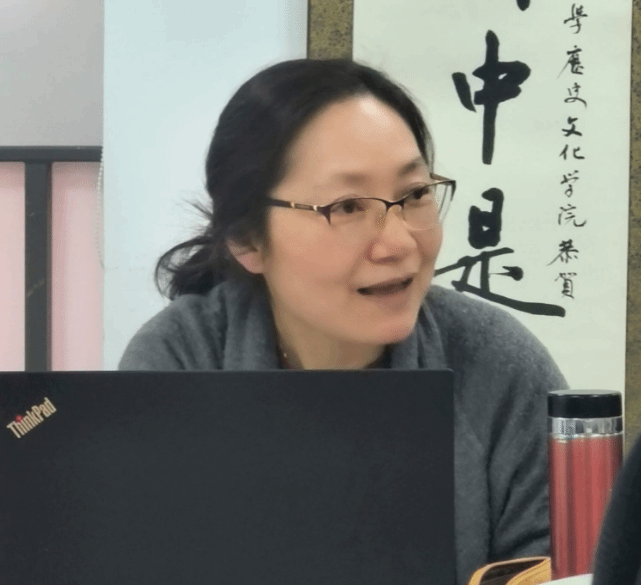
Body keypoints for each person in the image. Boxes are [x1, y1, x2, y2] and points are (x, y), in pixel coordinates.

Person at [119, 59, 567, 584]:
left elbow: (570, 567)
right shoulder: (179, 364)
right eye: (348, 206)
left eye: (415, 195)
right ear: (246, 238)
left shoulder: (498, 367)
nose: (398, 243)